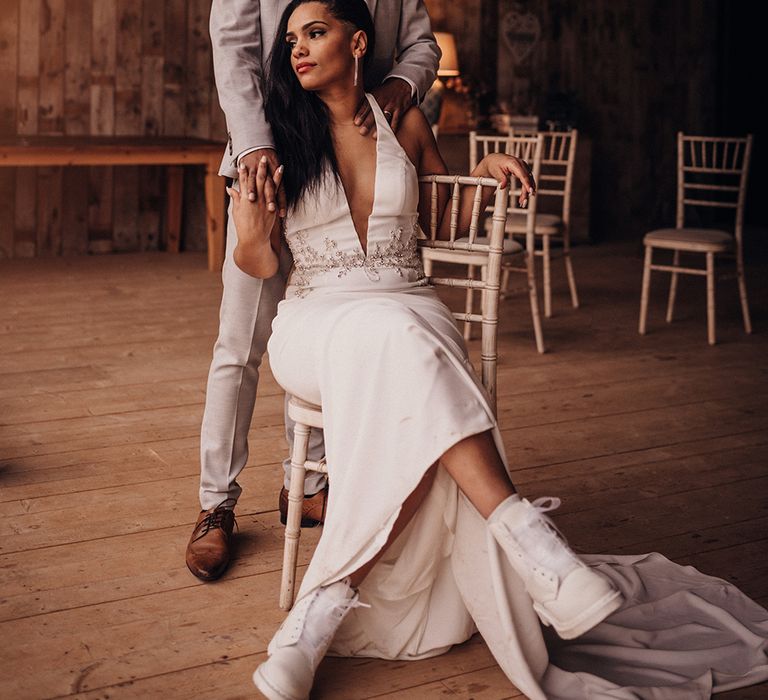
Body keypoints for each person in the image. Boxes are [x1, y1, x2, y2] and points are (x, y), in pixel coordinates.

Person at [229, 2, 768, 699]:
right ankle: (532, 542)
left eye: (316, 32)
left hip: (409, 306)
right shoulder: (277, 135)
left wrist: (482, 172)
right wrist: (249, 227)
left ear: (357, 41)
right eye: (292, 39)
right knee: (406, 346)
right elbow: (261, 265)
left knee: (408, 350)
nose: (298, 48)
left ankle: (317, 616)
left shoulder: (406, 121)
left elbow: (442, 220)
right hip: (318, 320)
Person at [187, 0, 441, 581]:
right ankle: (216, 504)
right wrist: (254, 147)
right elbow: (235, 49)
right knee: (240, 343)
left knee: (340, 322)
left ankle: (307, 487)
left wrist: (401, 86)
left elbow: (422, 46)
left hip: (360, 156)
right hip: (274, 156)